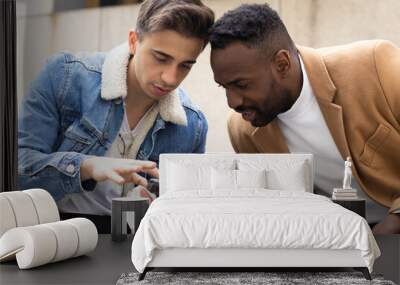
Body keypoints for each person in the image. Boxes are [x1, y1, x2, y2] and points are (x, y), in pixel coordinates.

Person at [18, 0, 215, 229]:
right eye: (161, 58)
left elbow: (186, 214)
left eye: (185, 66)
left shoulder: (193, 125)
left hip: (137, 243)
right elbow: (17, 168)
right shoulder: (64, 77)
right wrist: (87, 166)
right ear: (133, 41)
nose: (171, 78)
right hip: (50, 232)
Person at [209, 4, 400, 234]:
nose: (232, 102)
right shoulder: (243, 130)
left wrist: (394, 223)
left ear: (282, 64)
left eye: (241, 85)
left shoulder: (374, 66)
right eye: (224, 87)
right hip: (341, 243)